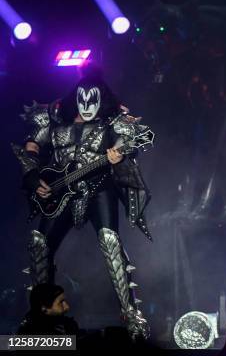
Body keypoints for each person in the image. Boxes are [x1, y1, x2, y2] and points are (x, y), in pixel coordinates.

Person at [12, 64, 152, 340]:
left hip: (98, 187)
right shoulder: (55, 120)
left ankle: (132, 315)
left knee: (110, 240)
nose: (88, 103)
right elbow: (30, 146)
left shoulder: (112, 121)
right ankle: (41, 318)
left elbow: (131, 141)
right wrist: (32, 178)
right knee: (40, 243)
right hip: (60, 191)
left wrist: (120, 156)